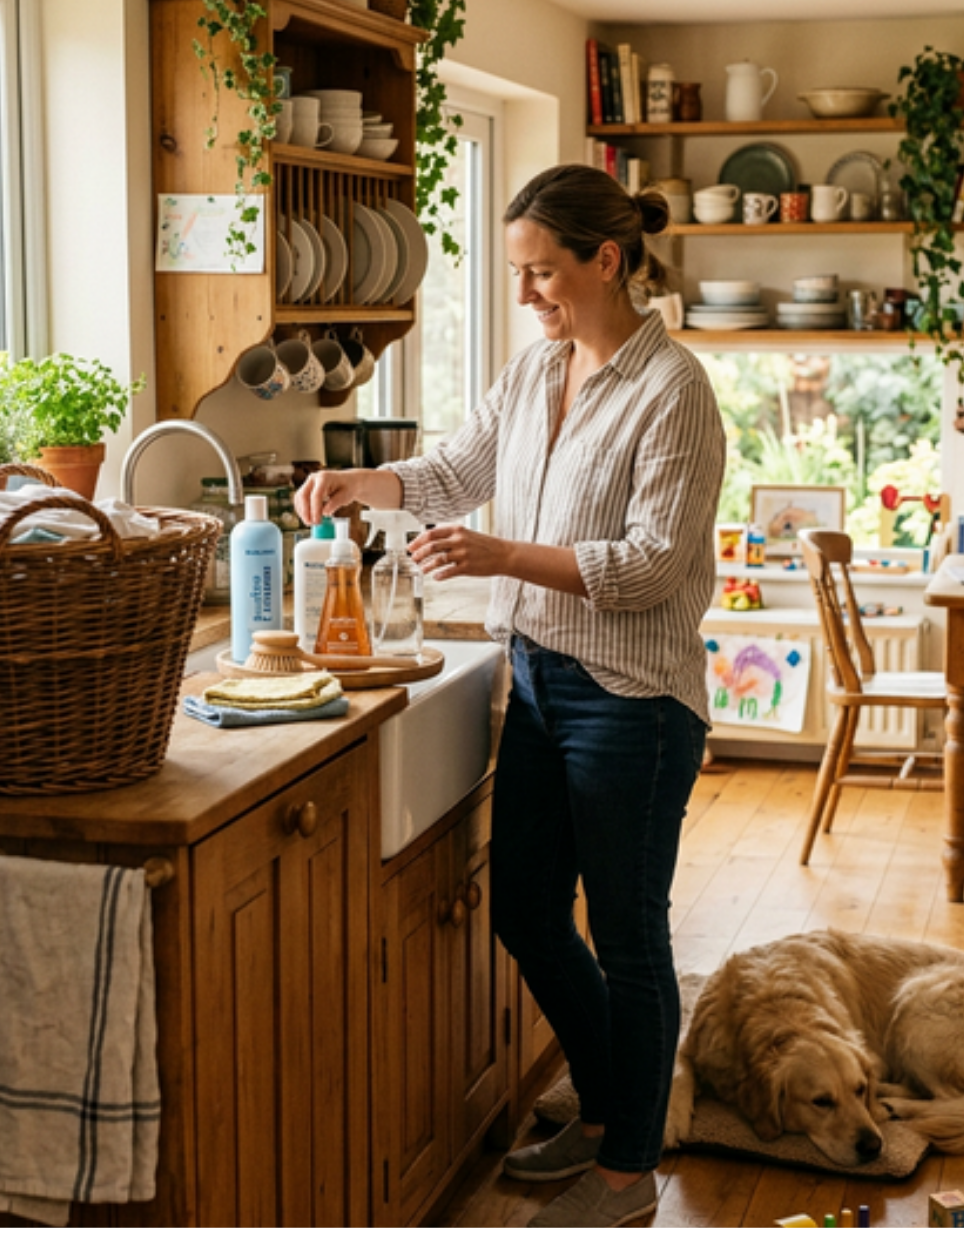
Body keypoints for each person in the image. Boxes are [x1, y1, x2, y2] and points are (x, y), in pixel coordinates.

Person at [295, 164, 724, 1228]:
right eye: (517, 272)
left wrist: (499, 555)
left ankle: (627, 1173)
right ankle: (605, 1110)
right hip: (537, 679)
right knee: (527, 910)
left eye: (541, 272)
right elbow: (453, 471)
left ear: (605, 261)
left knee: (628, 936)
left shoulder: (673, 391)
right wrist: (361, 485)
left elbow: (650, 566)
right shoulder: (535, 370)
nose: (525, 293)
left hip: (632, 701)